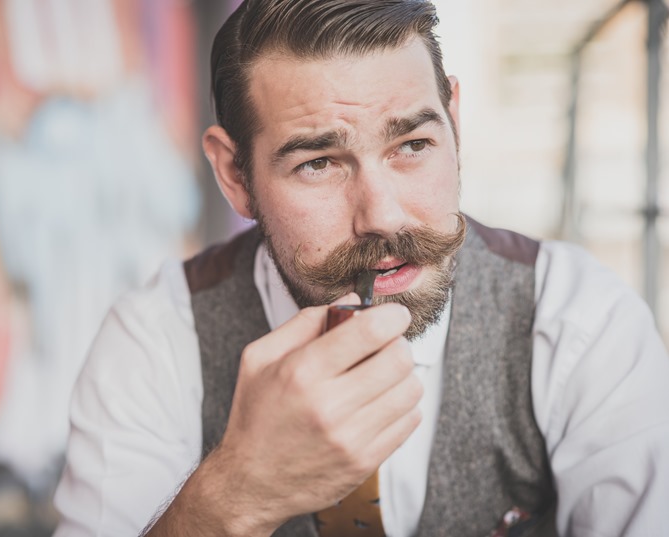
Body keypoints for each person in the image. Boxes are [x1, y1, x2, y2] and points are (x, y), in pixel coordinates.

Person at [52, 1, 669, 536]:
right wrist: (238, 495)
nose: (382, 216)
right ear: (235, 175)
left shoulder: (579, 322)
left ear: (454, 122)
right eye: (319, 162)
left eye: (413, 145)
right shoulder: (156, 338)